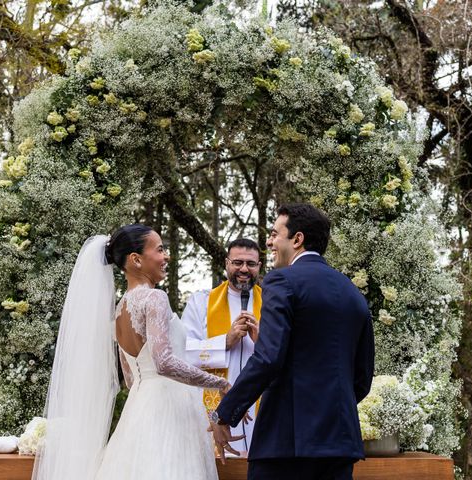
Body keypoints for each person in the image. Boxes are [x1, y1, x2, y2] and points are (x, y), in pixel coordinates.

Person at [32, 225, 236, 480]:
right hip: (167, 412)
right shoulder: (154, 299)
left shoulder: (119, 310)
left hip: (138, 410)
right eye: (160, 250)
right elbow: (164, 363)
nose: (166, 257)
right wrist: (219, 383)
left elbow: (130, 379)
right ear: (136, 260)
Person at [209, 203, 375, 480]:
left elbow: (268, 358)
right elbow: (362, 376)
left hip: (285, 444)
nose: (269, 242)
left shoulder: (282, 281)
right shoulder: (352, 292)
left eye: (275, 234)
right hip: (339, 443)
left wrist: (222, 415)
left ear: (297, 239)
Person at [183, 238, 262, 452]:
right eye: (237, 262)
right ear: (227, 263)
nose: (244, 269)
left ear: (259, 267)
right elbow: (183, 352)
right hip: (212, 406)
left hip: (262, 407)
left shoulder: (273, 303)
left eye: (250, 264)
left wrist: (262, 342)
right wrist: (224, 342)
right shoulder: (201, 302)